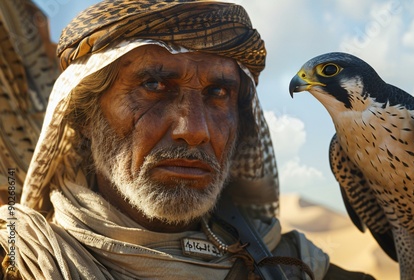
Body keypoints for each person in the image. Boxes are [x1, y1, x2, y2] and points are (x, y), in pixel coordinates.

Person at [0, 1, 375, 279]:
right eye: (153, 85)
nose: (195, 129)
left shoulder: (295, 268)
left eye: (218, 93)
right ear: (84, 116)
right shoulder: (20, 260)